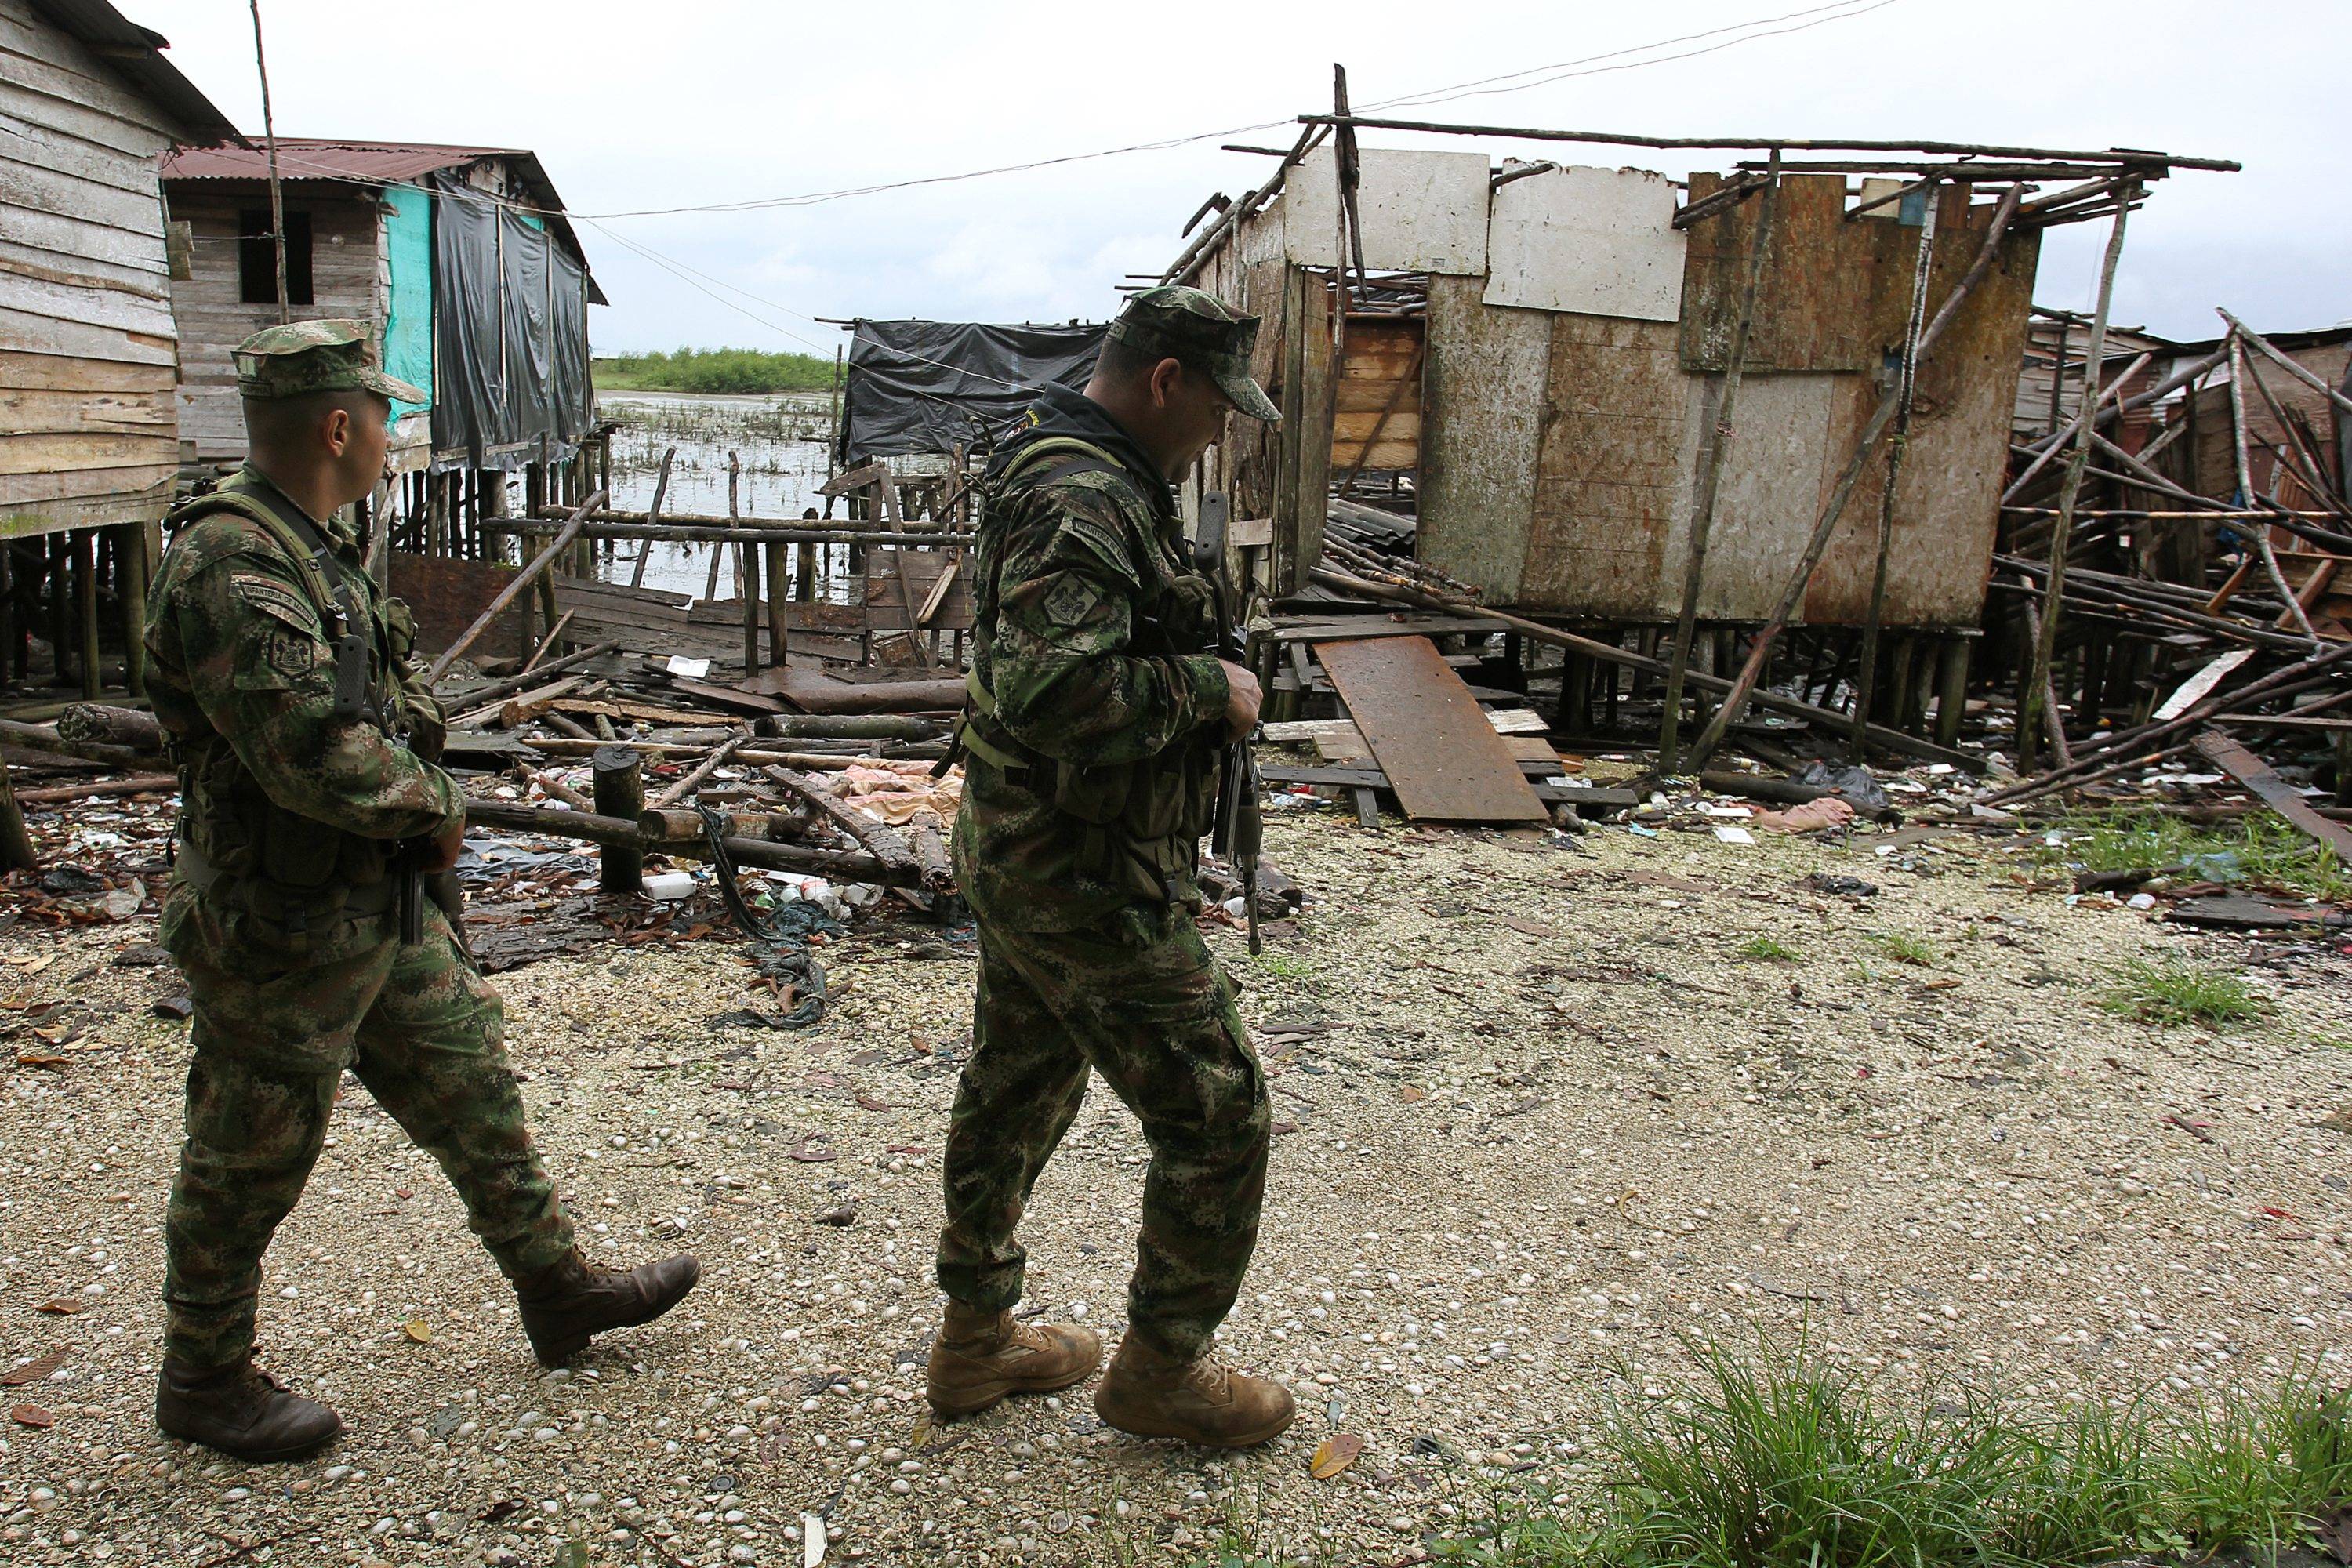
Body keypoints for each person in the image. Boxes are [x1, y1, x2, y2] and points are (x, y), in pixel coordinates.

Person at [144, 320, 699, 1462]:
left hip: (373, 906)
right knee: (249, 1154)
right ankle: (203, 1380)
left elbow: (369, 711)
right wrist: (438, 808)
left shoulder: (316, 546)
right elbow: (312, 752)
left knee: (473, 1089)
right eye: (387, 418)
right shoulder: (232, 567)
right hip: (280, 926)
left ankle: (557, 1289)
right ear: (338, 427)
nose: (399, 437)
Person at [929, 286, 1291, 1447]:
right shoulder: (1081, 489)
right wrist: (1210, 689)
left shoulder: (1074, 464)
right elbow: (1055, 690)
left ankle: (977, 1341)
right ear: (1166, 379)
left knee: (1019, 1080)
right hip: (1082, 868)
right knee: (1219, 1110)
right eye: (1217, 405)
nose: (1222, 431)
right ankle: (1163, 1372)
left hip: (1032, 846)